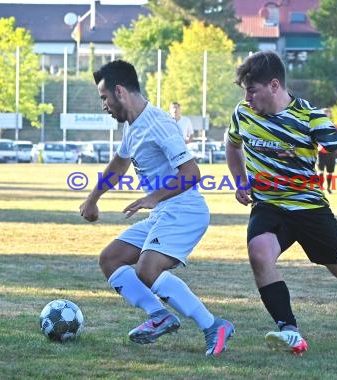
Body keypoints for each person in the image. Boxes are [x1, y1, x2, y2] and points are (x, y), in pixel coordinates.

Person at [225, 51, 337, 356]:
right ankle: (290, 331)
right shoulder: (243, 114)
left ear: (274, 85)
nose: (247, 97)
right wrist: (240, 181)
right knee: (259, 254)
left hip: (309, 208)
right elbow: (232, 146)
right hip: (268, 206)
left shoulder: (310, 117)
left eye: (252, 89)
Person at [79, 60, 234, 356]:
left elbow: (191, 174)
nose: (104, 106)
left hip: (184, 210)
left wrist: (154, 197)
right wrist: (92, 198)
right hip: (164, 211)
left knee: (147, 269)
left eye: (104, 98)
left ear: (120, 92)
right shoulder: (134, 127)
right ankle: (159, 315)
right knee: (111, 259)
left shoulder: (159, 123)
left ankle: (214, 325)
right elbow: (119, 164)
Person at [317, 108, 337, 194]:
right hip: (321, 151)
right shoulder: (318, 124)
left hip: (331, 152)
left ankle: (329, 188)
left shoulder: (334, 125)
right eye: (325, 112)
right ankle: (320, 188)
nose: (326, 114)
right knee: (321, 170)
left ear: (330, 114)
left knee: (330, 171)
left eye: (328, 113)